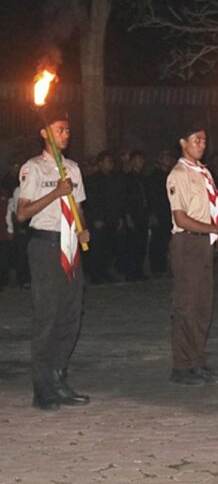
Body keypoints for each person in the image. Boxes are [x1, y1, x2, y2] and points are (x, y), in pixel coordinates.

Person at [16, 107, 91, 410]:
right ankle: (42, 387)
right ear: (45, 133)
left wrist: (83, 229)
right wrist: (56, 193)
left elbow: (79, 205)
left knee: (70, 315)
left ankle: (60, 378)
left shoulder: (73, 168)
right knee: (46, 316)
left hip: (70, 243)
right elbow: (22, 213)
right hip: (45, 245)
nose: (65, 135)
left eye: (68, 130)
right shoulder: (32, 168)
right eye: (60, 129)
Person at [165, 124, 218, 386]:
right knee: (186, 306)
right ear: (183, 142)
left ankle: (197, 361)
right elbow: (181, 218)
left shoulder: (203, 172)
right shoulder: (179, 174)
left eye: (204, 140)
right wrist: (214, 229)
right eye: (196, 140)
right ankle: (181, 366)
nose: (201, 145)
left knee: (203, 306)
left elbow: (212, 207)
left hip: (204, 243)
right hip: (187, 244)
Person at [84, 151, 123, 284]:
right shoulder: (93, 180)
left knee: (109, 247)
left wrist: (118, 217)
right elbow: (92, 201)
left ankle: (105, 271)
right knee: (98, 248)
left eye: (111, 162)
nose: (110, 164)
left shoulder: (113, 179)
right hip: (99, 219)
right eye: (108, 161)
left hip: (111, 218)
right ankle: (96, 274)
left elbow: (116, 200)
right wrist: (96, 218)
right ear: (101, 164)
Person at [147, 149, 175, 277]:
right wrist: (152, 213)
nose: (168, 160)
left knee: (168, 241)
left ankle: (166, 266)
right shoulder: (154, 177)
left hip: (169, 212)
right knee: (158, 241)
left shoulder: (170, 176)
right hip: (159, 213)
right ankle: (157, 268)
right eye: (165, 158)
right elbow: (152, 196)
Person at [124, 150, 150, 281]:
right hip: (133, 215)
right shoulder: (128, 178)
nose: (141, 162)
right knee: (133, 244)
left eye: (142, 160)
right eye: (139, 160)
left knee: (142, 243)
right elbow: (126, 199)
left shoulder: (143, 178)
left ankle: (139, 270)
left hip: (142, 215)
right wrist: (128, 217)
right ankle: (131, 271)